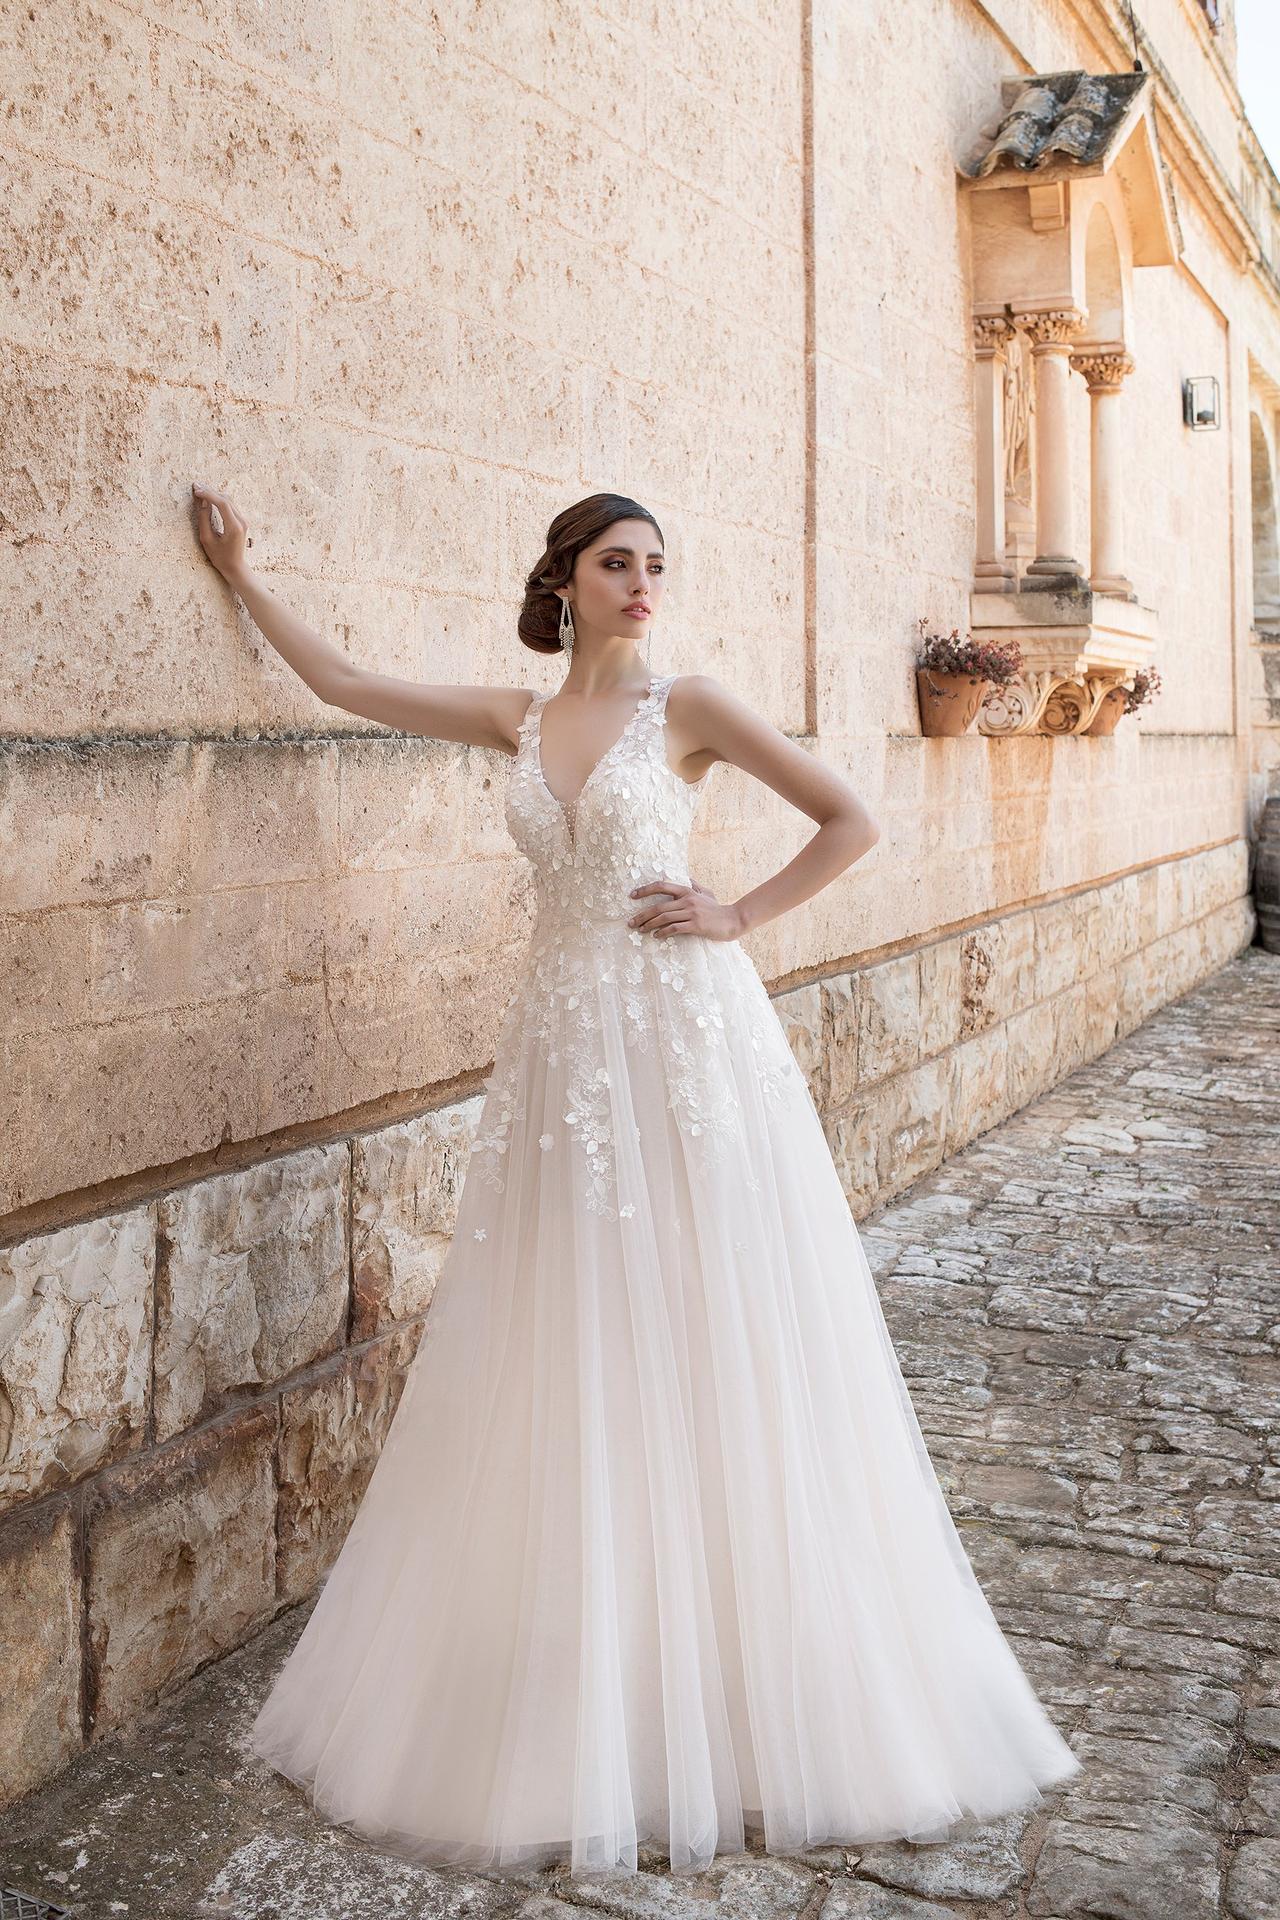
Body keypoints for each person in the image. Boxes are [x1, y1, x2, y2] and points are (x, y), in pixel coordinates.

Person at [191, 482, 1081, 1879]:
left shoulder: (693, 707)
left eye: (658, 562)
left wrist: (737, 913)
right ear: (566, 580)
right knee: (571, 1337)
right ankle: (594, 1667)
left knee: (707, 1321)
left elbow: (850, 821)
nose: (645, 582)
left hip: (683, 1048)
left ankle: (750, 1681)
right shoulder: (518, 716)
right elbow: (350, 681)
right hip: (559, 1063)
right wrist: (245, 582)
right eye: (620, 563)